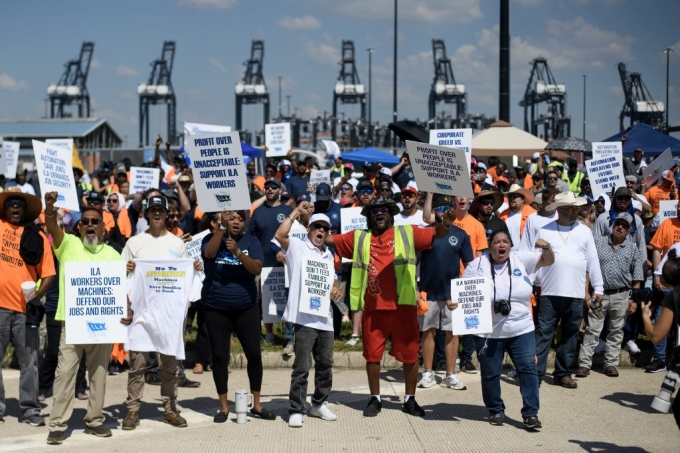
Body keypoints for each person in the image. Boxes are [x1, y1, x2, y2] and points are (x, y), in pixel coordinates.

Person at [327, 196, 457, 417]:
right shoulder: (358, 237)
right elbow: (327, 241)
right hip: (372, 308)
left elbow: (437, 234)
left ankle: (410, 399)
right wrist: (304, 222)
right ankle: (375, 399)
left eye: (384, 210)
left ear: (391, 214)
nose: (380, 213)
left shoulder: (407, 233)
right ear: (369, 216)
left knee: (410, 355)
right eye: (375, 210)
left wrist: (445, 223)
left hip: (403, 307)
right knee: (372, 357)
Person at [44, 191, 121, 445]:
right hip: (73, 323)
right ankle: (57, 425)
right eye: (85, 222)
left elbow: (121, 290)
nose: (90, 225)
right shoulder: (67, 244)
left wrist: (125, 311)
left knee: (98, 375)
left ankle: (95, 420)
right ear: (79, 227)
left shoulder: (113, 255)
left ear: (103, 228)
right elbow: (54, 228)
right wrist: (49, 207)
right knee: (65, 373)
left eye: (94, 222)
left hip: (102, 326)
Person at [119, 195, 202, 430]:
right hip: (142, 314)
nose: (157, 214)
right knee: (137, 365)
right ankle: (133, 410)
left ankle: (170, 408)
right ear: (146, 214)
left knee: (170, 365)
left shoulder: (177, 244)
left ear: (167, 215)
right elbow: (119, 276)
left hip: (168, 316)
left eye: (161, 210)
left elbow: (187, 277)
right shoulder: (134, 243)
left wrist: (196, 268)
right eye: (152, 210)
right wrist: (125, 270)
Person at [464, 231, 554, 429]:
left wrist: (546, 247)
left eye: (505, 241)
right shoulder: (477, 265)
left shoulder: (520, 258)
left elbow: (547, 261)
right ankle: (495, 410)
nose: (501, 245)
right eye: (496, 242)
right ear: (490, 246)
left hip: (521, 328)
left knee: (529, 370)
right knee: (490, 373)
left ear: (511, 245)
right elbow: (465, 296)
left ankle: (531, 414)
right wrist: (455, 304)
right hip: (488, 332)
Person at [202, 209, 276, 423]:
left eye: (240, 219)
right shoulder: (211, 237)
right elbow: (209, 254)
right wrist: (222, 231)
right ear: (223, 220)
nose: (236, 222)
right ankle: (223, 407)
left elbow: (256, 269)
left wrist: (238, 253)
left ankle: (257, 404)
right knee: (219, 357)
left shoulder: (251, 242)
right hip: (216, 307)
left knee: (254, 354)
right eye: (232, 218)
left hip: (246, 307)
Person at [275, 205, 344, 428]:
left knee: (325, 365)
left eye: (325, 228)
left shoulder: (328, 254)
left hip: (325, 319)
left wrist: (336, 288)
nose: (321, 231)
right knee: (302, 367)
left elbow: (333, 279)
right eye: (317, 227)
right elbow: (279, 235)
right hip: (304, 319)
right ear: (309, 228)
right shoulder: (296, 246)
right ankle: (296, 408)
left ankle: (318, 404)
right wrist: (295, 212)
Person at [533, 191, 604, 389]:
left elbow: (593, 261)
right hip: (549, 292)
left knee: (571, 334)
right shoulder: (544, 229)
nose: (576, 212)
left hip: (574, 293)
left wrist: (598, 287)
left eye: (576, 208)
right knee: (544, 334)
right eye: (571, 209)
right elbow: (534, 260)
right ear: (560, 210)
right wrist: (531, 284)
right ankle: (536, 374)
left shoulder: (584, 231)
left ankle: (562, 373)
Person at [0, 187, 56, 426]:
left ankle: (30, 408)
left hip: (26, 310)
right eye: (11, 202)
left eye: (20, 204)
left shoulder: (37, 235)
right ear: (5, 207)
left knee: (29, 362)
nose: (15, 207)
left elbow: (49, 273)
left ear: (25, 210)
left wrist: (37, 295)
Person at [576, 213, 643, 379]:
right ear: (613, 225)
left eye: (624, 226)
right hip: (599, 295)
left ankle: (611, 364)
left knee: (616, 331)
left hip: (621, 295)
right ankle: (584, 364)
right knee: (592, 329)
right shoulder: (598, 243)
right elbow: (587, 269)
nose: (620, 227)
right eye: (617, 224)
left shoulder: (633, 248)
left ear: (629, 230)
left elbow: (637, 276)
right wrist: (586, 292)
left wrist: (634, 299)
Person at [417, 197, 473, 391]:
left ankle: (450, 374)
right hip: (428, 291)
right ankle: (427, 372)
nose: (445, 211)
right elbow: (414, 262)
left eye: (448, 208)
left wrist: (465, 291)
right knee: (428, 332)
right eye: (440, 208)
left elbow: (469, 265)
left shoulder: (461, 235)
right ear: (434, 211)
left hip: (452, 293)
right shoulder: (426, 232)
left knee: (452, 333)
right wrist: (416, 289)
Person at [250, 177, 294, 347]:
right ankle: (269, 332)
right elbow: (251, 236)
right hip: (263, 263)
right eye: (267, 187)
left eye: (273, 187)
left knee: (286, 298)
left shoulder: (288, 210)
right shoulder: (258, 212)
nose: (269, 190)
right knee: (267, 299)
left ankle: (288, 334)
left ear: (279, 191)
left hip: (285, 262)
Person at [594, 187, 646, 260]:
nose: (623, 201)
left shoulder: (636, 220)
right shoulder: (603, 218)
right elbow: (596, 242)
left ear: (630, 200)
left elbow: (641, 245)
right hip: (607, 260)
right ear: (614, 199)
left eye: (626, 198)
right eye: (620, 198)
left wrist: (643, 265)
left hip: (630, 261)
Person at [499, 185, 536, 251]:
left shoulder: (533, 214)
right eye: (510, 196)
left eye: (515, 196)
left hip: (526, 255)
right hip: (506, 256)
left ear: (523, 199)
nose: (512, 198)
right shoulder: (503, 215)